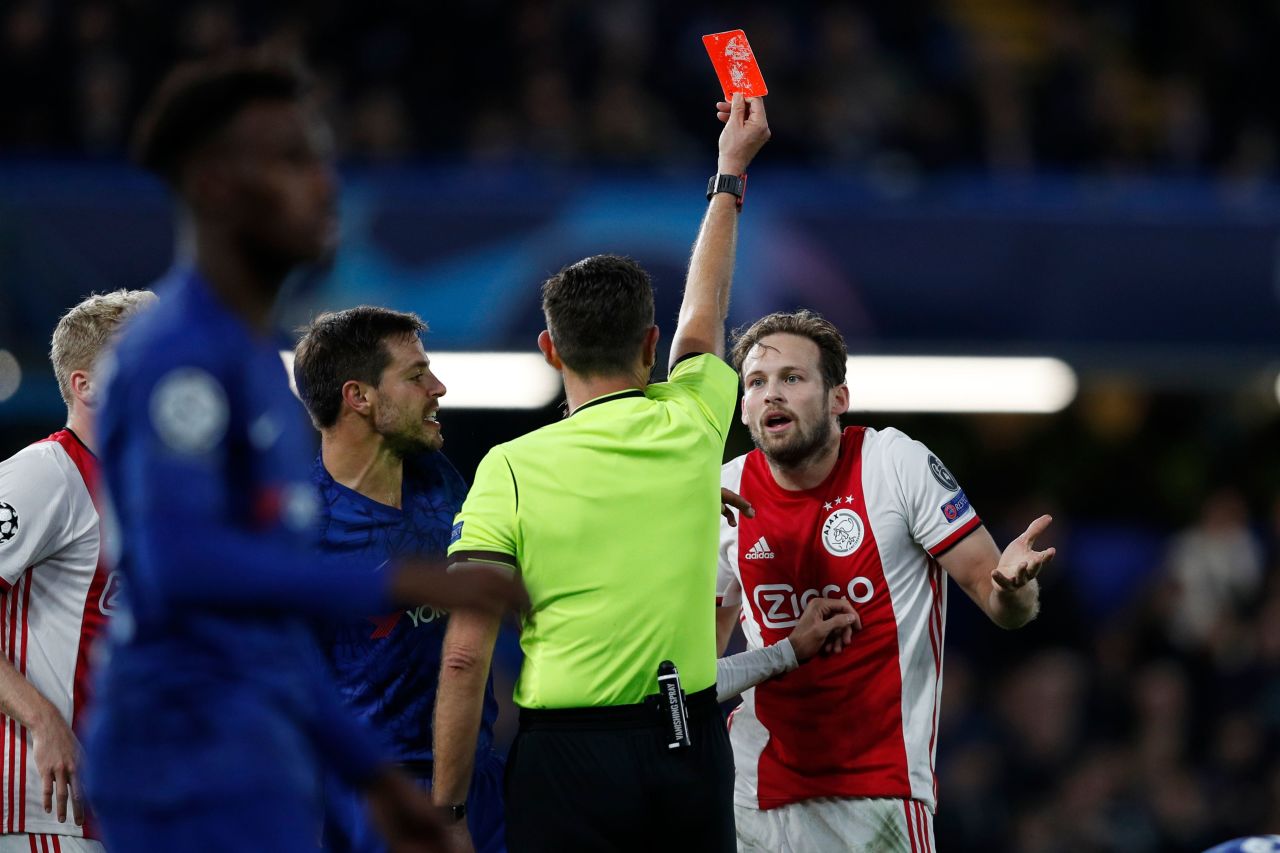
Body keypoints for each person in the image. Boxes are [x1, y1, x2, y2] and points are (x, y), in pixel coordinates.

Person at [82, 53, 525, 852]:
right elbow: (179, 562)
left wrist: (378, 778)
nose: (325, 182)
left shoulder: (254, 365)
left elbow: (275, 633)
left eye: (320, 157)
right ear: (216, 183)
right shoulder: (176, 357)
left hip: (264, 756)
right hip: (182, 759)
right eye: (291, 158)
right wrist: (399, 576)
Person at [715, 309, 1057, 852]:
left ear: (837, 399)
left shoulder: (895, 463)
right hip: (752, 795)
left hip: (881, 794)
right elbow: (699, 670)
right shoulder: (725, 494)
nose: (771, 394)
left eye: (792, 379)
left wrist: (1015, 588)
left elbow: (1000, 606)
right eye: (756, 383)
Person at [292, 306, 507, 852]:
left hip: (471, 781)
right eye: (415, 376)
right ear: (358, 397)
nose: (437, 386)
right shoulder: (298, 531)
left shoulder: (439, 479)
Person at [0, 289, 155, 853]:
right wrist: (43, 720)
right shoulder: (45, 475)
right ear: (84, 384)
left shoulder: (147, 489)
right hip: (43, 806)